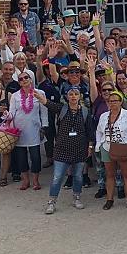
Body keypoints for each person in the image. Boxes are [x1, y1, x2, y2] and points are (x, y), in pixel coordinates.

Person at [47, 85, 92, 213]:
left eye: (76, 94)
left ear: (80, 96)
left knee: (78, 176)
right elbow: (48, 103)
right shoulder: (62, 109)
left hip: (79, 149)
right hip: (62, 149)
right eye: (71, 94)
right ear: (67, 96)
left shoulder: (85, 111)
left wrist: (90, 146)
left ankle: (77, 198)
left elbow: (89, 130)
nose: (73, 96)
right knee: (57, 177)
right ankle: (52, 202)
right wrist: (38, 96)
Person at [96, 90, 127, 209]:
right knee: (110, 174)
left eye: (115, 100)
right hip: (107, 146)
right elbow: (99, 131)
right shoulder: (104, 116)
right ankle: (109, 199)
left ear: (121, 102)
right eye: (110, 101)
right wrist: (98, 144)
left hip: (123, 147)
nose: (113, 103)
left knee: (126, 174)